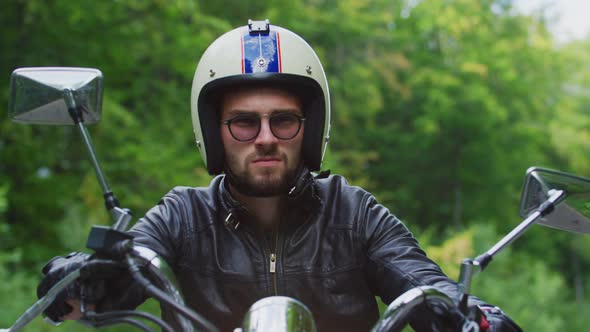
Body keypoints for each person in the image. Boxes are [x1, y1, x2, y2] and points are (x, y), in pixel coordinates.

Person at [37, 19, 521, 331]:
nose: (265, 137)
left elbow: (420, 282)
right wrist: (84, 276)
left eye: (283, 120)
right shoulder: (182, 215)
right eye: (244, 121)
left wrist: (472, 315)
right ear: (215, 132)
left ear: (308, 132)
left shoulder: (355, 214)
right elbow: (136, 258)